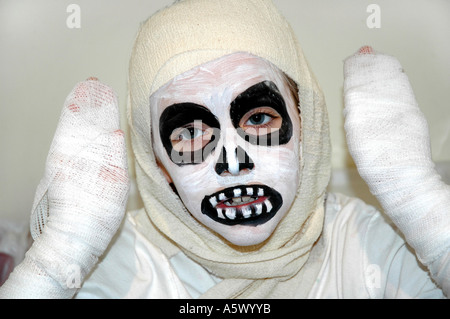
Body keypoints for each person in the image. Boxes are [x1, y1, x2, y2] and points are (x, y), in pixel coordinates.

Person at [0, 0, 448, 299]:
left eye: (258, 119)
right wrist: (63, 251)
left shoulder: (373, 246)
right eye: (191, 132)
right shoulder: (118, 266)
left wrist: (417, 196)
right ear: (159, 166)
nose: (233, 162)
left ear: (305, 126)